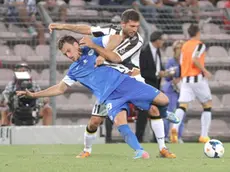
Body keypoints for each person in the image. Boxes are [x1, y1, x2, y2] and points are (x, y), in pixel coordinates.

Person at [17, 35, 174, 159]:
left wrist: (96, 48)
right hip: (108, 96)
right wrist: (34, 95)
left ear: (76, 44)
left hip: (125, 83)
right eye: (65, 54)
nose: (68, 55)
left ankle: (166, 120)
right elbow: (60, 88)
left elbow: (116, 38)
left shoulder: (92, 47)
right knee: (96, 123)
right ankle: (95, 149)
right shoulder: (74, 70)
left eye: (69, 50)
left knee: (161, 103)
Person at [49, 9, 178, 159]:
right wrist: (62, 26)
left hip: (131, 77)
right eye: (132, 26)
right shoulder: (111, 30)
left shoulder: (136, 40)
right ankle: (87, 149)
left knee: (154, 109)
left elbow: (115, 57)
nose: (135, 30)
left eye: (137, 26)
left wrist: (101, 53)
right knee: (95, 121)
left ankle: (163, 148)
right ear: (123, 24)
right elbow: (86, 29)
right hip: (110, 81)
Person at [137, 31, 177, 158]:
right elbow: (141, 71)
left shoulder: (157, 51)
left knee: (156, 112)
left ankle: (157, 140)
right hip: (145, 86)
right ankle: (138, 138)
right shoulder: (144, 51)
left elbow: (156, 67)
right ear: (157, 40)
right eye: (162, 40)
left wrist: (163, 73)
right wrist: (156, 74)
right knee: (143, 113)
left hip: (155, 86)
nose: (163, 42)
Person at [171, 24, 212, 143]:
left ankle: (174, 128)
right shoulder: (200, 45)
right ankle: (204, 135)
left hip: (186, 80)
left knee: (182, 106)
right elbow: (195, 59)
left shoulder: (185, 45)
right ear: (198, 33)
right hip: (197, 78)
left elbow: (181, 61)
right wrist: (205, 71)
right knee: (207, 105)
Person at [161, 40, 185, 143]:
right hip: (171, 89)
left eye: (182, 48)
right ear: (174, 50)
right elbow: (166, 77)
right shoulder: (171, 61)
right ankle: (165, 136)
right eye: (178, 48)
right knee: (168, 113)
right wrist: (172, 79)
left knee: (182, 113)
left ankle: (178, 136)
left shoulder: (185, 61)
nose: (180, 51)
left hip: (183, 89)